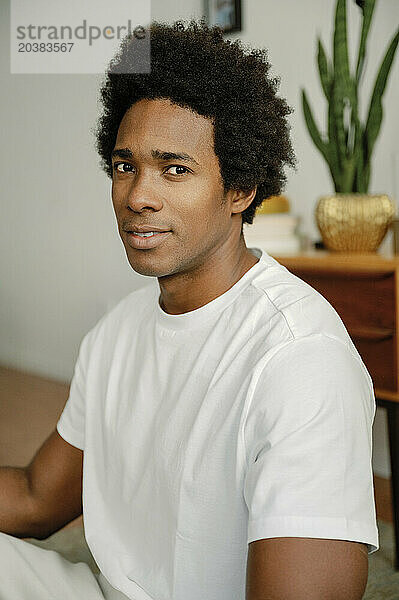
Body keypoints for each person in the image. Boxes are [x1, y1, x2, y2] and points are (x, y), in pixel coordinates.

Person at [0, 18, 378, 600]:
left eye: (175, 169)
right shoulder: (115, 334)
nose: (137, 197)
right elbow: (33, 498)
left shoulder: (301, 359)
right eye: (125, 166)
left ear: (241, 189)